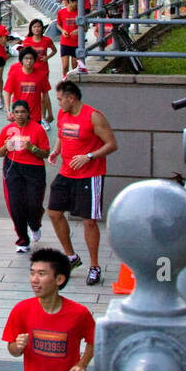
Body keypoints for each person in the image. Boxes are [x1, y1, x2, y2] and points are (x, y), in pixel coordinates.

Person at [2, 249, 95, 371]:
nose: (34, 279)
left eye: (41, 274)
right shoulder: (22, 310)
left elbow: (94, 340)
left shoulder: (79, 313)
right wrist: (17, 348)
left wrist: (83, 363)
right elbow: (12, 349)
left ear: (59, 279)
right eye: (32, 272)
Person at [47, 80, 119, 285]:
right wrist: (56, 151)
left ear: (71, 98)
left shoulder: (93, 116)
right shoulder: (63, 114)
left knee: (89, 221)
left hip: (89, 174)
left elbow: (112, 144)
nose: (58, 103)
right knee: (53, 212)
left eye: (60, 99)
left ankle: (94, 266)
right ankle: (71, 257)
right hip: (66, 171)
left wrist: (89, 156)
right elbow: (62, 134)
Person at [0, 99, 51, 252]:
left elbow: (45, 153)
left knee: (34, 204)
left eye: (23, 112)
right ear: (12, 114)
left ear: (28, 113)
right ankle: (22, 239)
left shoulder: (38, 129)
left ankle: (35, 224)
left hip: (34, 169)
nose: (20, 115)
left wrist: (32, 148)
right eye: (17, 112)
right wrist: (5, 147)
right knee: (16, 204)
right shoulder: (7, 130)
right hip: (12, 169)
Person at [20, 19, 58, 126]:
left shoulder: (47, 40)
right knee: (30, 94)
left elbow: (54, 50)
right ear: (31, 29)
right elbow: (23, 55)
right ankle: (29, 117)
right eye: (34, 27)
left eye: (39, 27)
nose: (37, 29)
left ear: (42, 28)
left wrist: (47, 57)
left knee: (43, 95)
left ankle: (43, 117)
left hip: (43, 70)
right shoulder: (27, 41)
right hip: (30, 71)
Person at [2, 47, 51, 123]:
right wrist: (8, 111)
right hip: (18, 115)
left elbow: (45, 95)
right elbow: (8, 93)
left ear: (34, 60)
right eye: (26, 59)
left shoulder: (41, 75)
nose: (29, 61)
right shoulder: (14, 75)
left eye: (31, 59)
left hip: (35, 116)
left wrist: (50, 113)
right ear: (21, 60)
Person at [56, 0, 87, 76]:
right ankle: (64, 81)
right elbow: (58, 24)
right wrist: (62, 31)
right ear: (69, 2)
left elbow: (85, 28)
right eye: (75, 3)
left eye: (78, 3)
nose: (76, 5)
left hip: (76, 43)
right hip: (65, 42)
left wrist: (78, 30)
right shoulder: (61, 12)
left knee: (74, 66)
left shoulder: (80, 13)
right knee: (65, 66)